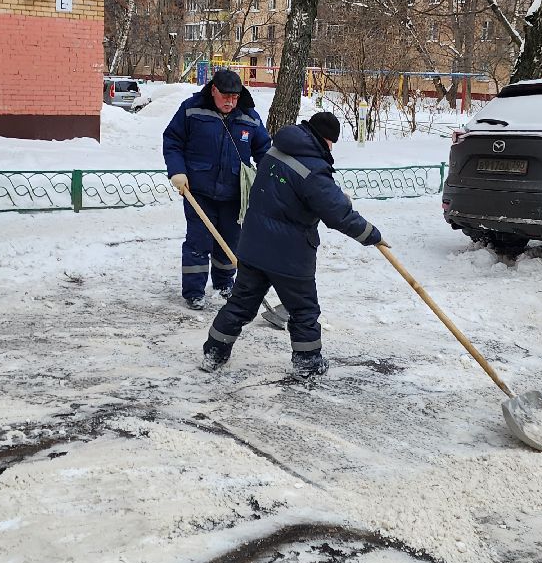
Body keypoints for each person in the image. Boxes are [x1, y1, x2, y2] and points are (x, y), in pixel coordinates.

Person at [201, 111, 383, 378]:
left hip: (253, 246)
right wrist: (371, 235)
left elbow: (292, 193)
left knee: (240, 304)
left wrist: (332, 197)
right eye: (331, 142)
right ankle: (308, 363)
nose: (331, 148)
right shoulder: (312, 167)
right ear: (324, 138)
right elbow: (337, 213)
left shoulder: (276, 151)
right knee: (303, 310)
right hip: (289, 255)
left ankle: (214, 353)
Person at [162, 69, 270, 308]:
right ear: (213, 90)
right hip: (198, 191)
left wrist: (270, 180)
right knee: (198, 242)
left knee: (229, 242)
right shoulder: (192, 109)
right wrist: (177, 171)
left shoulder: (249, 117)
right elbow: (172, 141)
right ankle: (194, 292)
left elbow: (264, 151)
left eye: (235, 97)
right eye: (225, 96)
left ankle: (224, 284)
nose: (230, 102)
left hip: (234, 194)